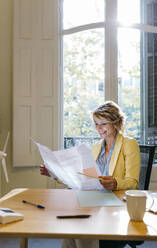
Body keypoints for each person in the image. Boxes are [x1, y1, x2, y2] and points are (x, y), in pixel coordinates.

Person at [40, 101, 140, 248]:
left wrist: (116, 182)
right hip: (94, 200)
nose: (99, 129)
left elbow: (133, 182)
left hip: (114, 205)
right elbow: (82, 179)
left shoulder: (129, 144)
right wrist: (55, 174)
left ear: (116, 122)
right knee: (71, 228)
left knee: (80, 226)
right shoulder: (95, 147)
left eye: (103, 124)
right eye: (96, 124)